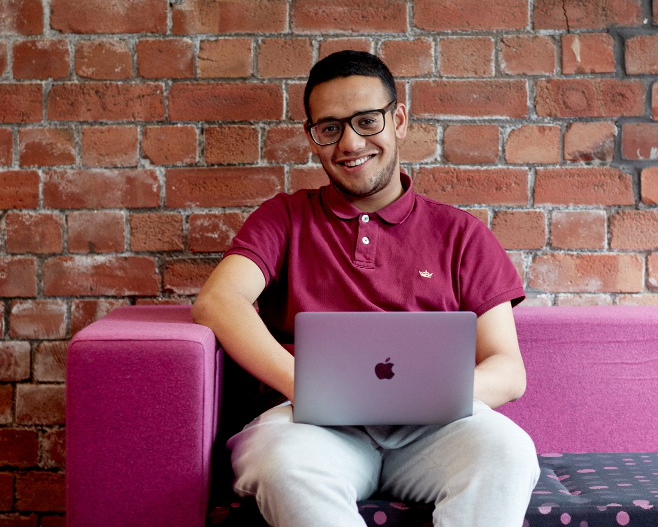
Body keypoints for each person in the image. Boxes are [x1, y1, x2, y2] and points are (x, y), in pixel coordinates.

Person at [191, 50, 540, 527]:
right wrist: (315, 388)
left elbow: (507, 369)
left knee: (510, 452)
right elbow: (218, 301)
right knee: (284, 467)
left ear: (398, 119)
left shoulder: (461, 233)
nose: (350, 143)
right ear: (313, 136)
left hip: (431, 432)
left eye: (366, 121)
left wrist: (421, 395)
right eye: (330, 128)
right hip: (310, 428)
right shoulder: (285, 218)